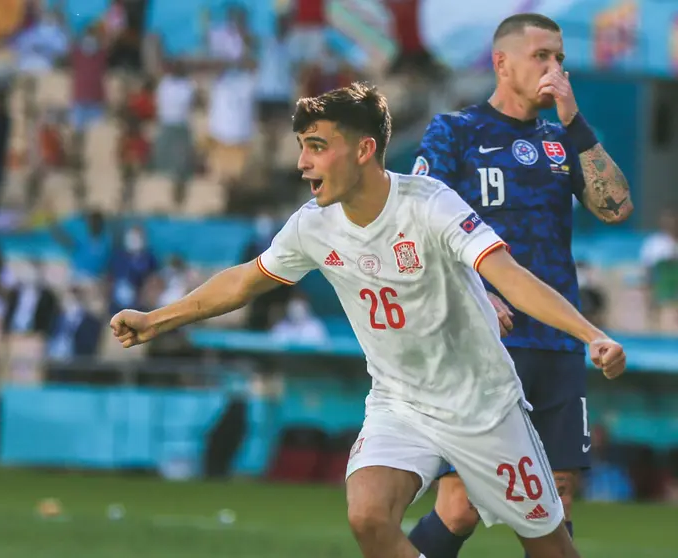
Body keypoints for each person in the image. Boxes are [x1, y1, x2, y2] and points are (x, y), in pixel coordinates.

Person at [110, 82, 626, 558]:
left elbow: (509, 276)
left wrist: (592, 335)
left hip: (482, 406)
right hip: (399, 403)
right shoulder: (313, 226)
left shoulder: (429, 205)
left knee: (551, 548)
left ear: (363, 150)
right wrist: (158, 319)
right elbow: (244, 281)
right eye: (301, 146)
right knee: (368, 515)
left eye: (316, 146)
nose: (302, 163)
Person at [408, 13, 633, 558]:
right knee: (460, 502)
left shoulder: (563, 141)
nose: (554, 68)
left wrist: (576, 122)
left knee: (556, 495)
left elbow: (617, 207)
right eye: (542, 57)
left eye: (560, 58)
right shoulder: (455, 132)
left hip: (555, 340)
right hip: (480, 340)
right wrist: (476, 289)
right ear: (501, 63)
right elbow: (413, 223)